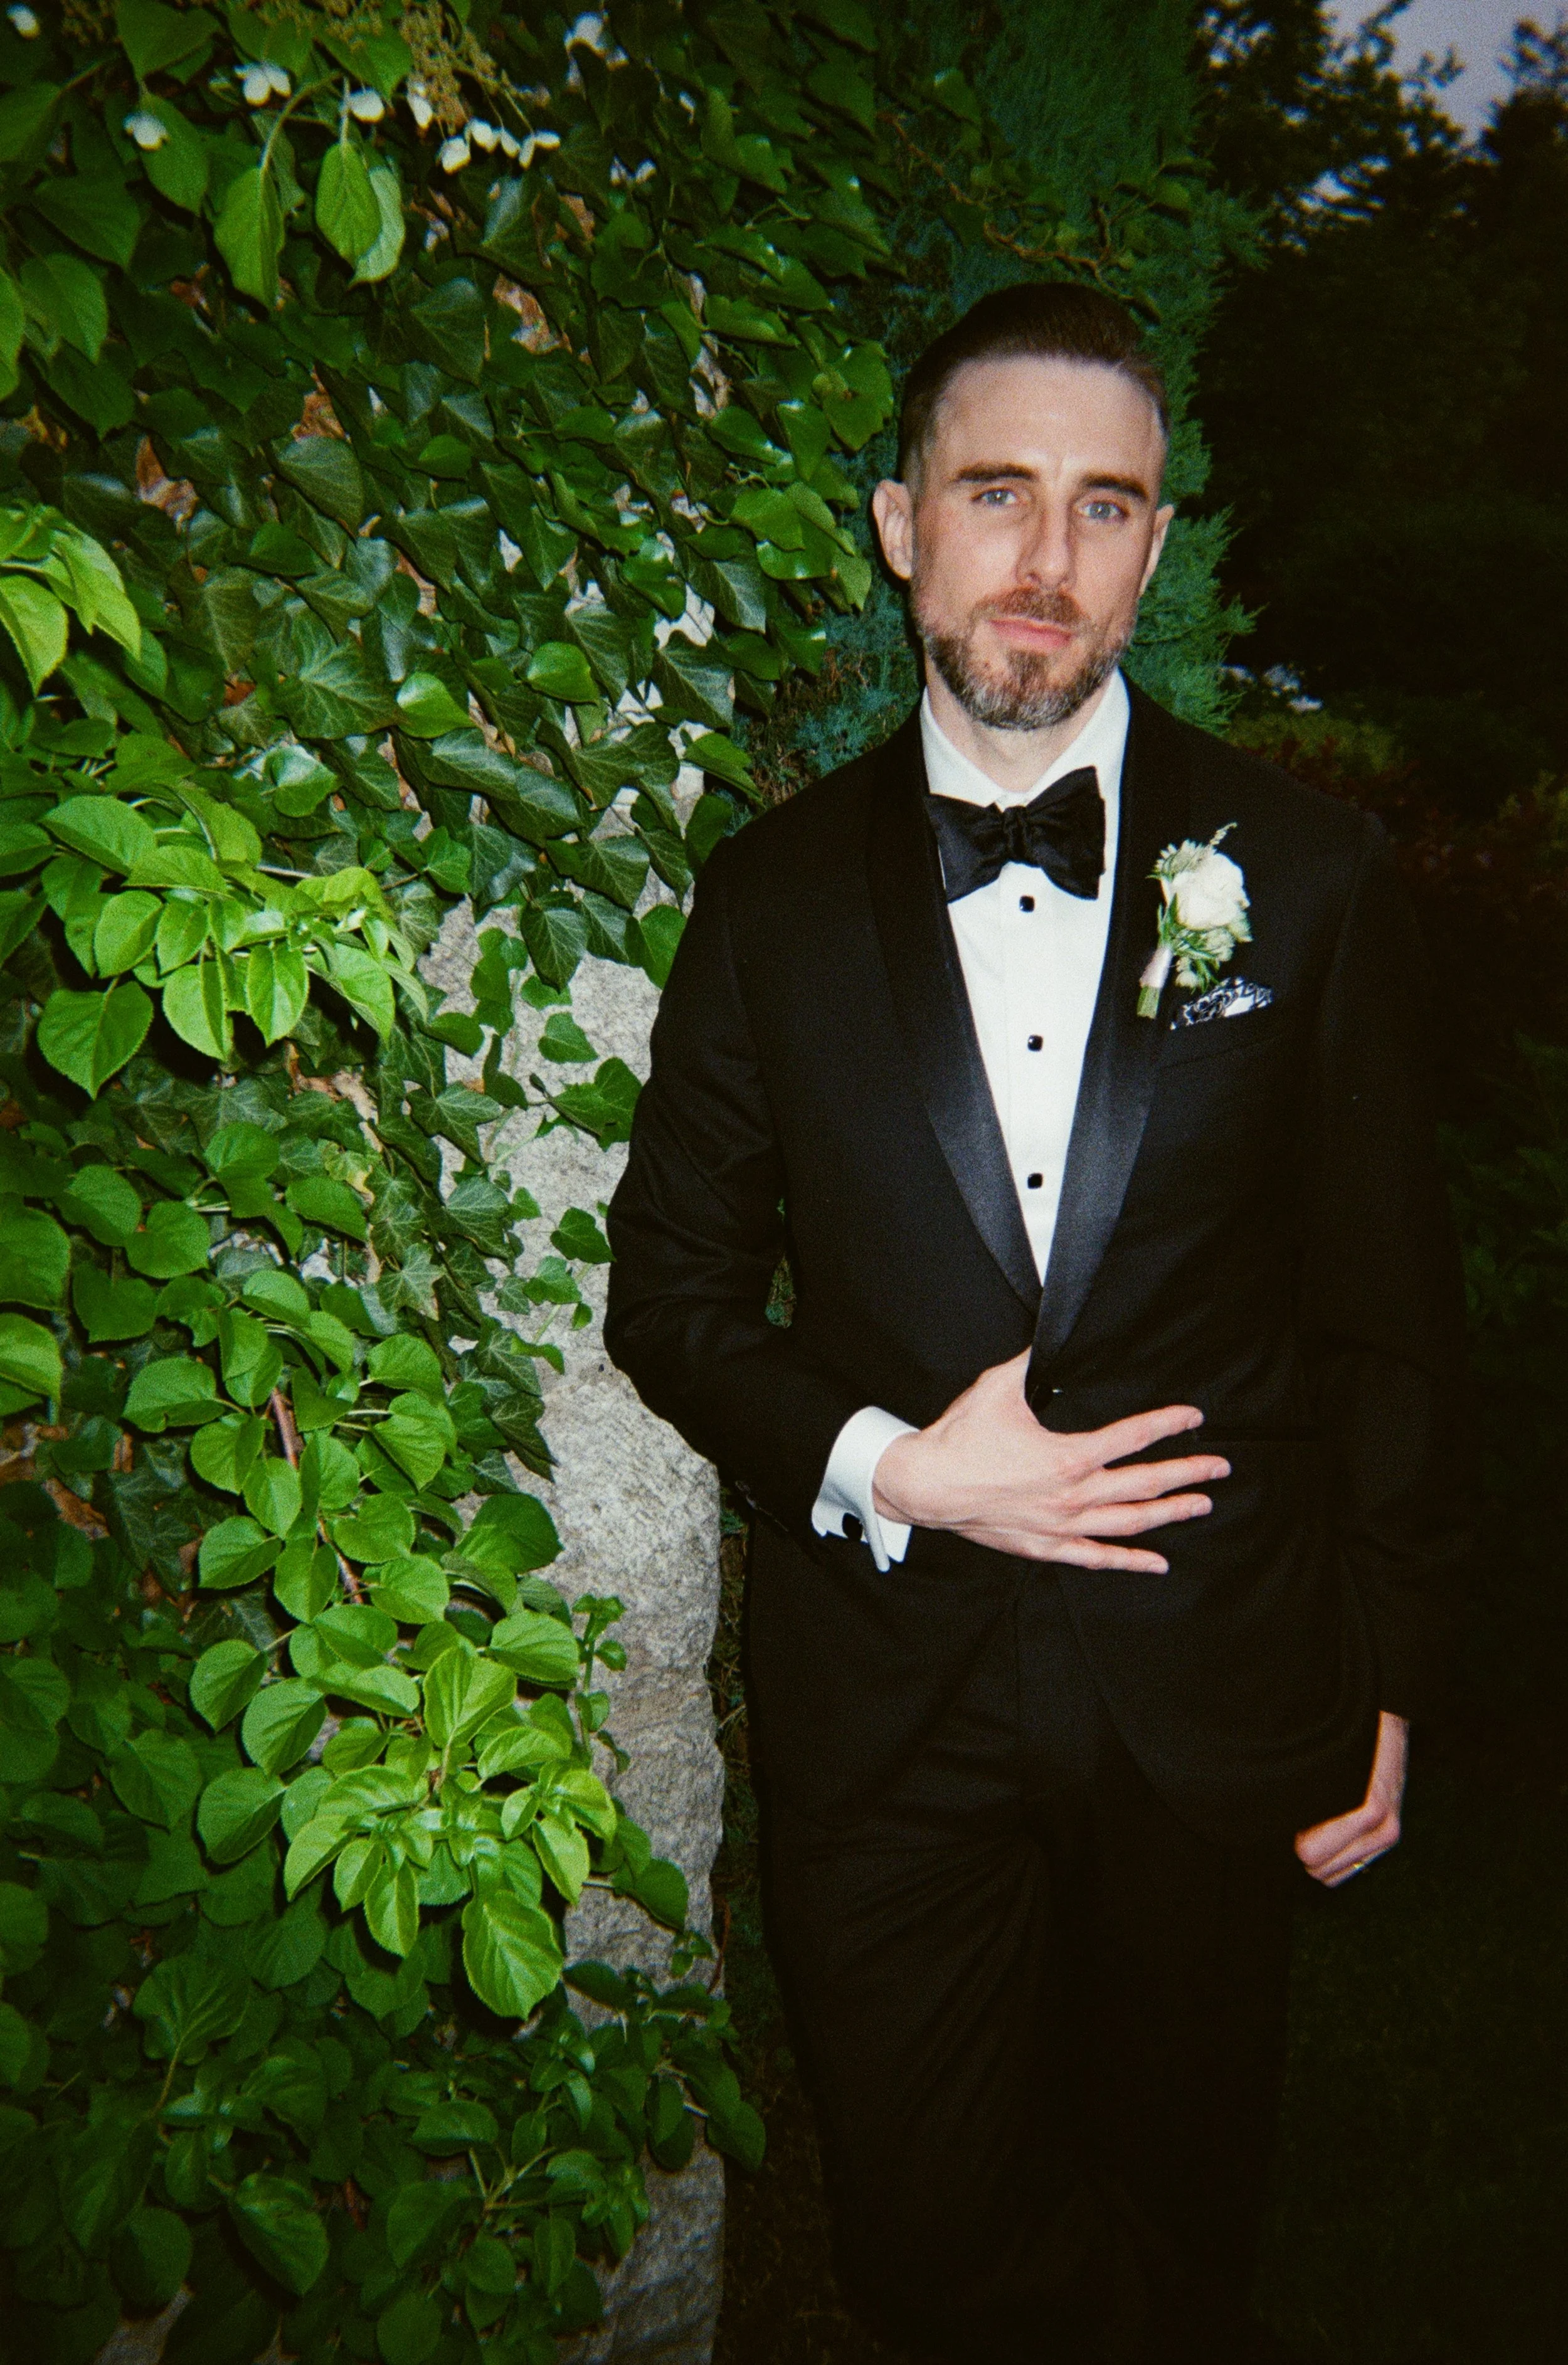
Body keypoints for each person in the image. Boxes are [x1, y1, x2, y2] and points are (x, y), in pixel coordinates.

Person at [603, 282, 1471, 2362]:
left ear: (1154, 547)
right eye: (996, 495)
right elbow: (674, 1294)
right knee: (930, 2254)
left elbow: (1389, 1318)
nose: (1046, 563)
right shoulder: (769, 899)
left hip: (1215, 1685)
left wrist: (1392, 1666)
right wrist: (894, 1466)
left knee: (1176, 2251)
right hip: (887, 1728)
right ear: (899, 522)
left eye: (1105, 508)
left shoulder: (1313, 873)